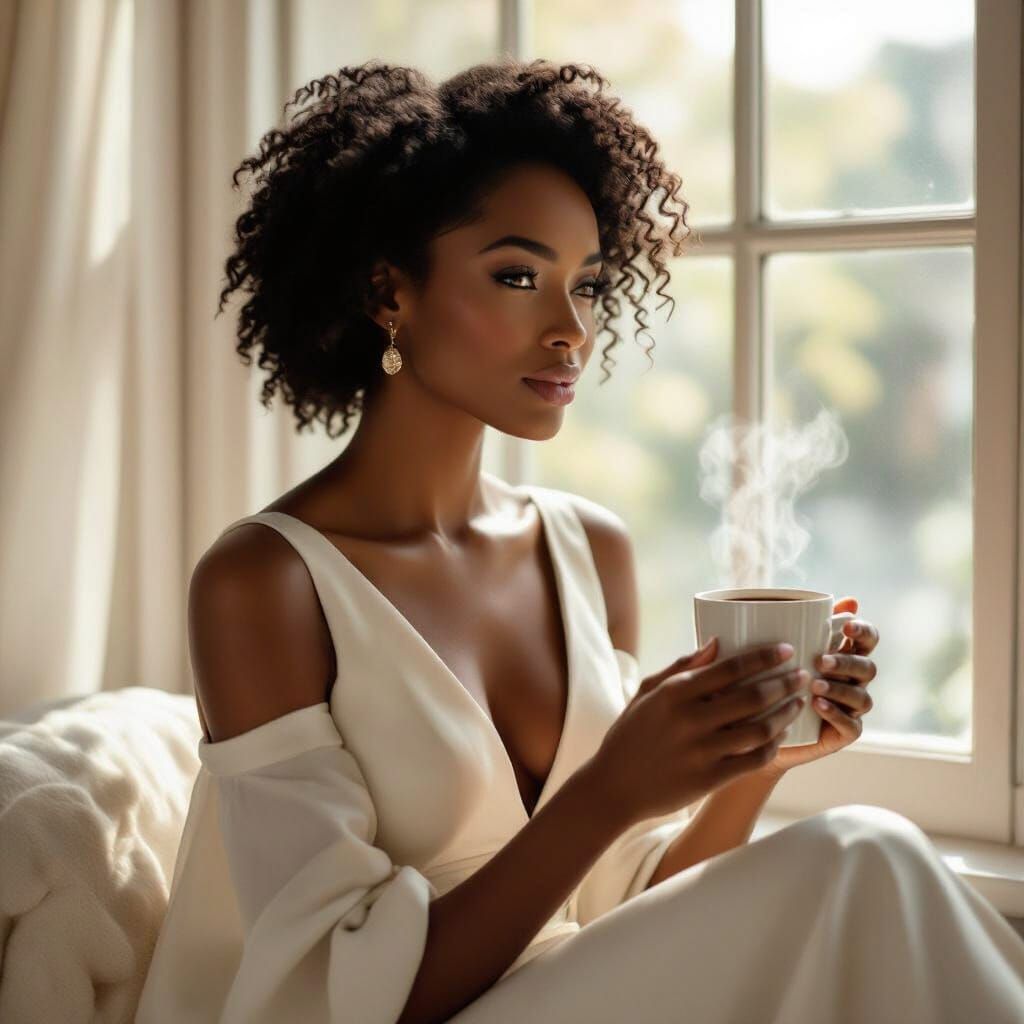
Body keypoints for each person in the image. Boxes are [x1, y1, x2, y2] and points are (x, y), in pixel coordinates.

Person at [135, 56, 1024, 1023]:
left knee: (865, 861)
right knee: (862, 856)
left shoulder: (586, 548)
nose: (571, 330)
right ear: (390, 293)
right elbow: (328, 991)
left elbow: (624, 913)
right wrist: (610, 788)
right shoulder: (266, 583)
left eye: (590, 285)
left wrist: (749, 764)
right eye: (518, 275)